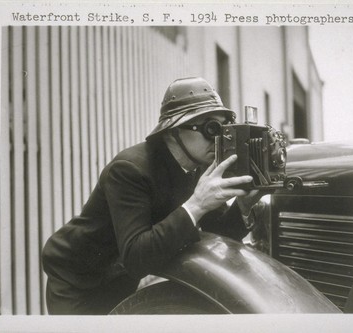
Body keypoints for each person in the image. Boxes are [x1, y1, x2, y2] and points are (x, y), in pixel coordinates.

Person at [41, 77, 267, 315]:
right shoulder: (129, 169)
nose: (219, 139)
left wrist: (243, 206)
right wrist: (197, 204)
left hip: (121, 278)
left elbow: (217, 235)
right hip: (79, 281)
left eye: (224, 129)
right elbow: (137, 257)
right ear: (174, 130)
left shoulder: (198, 166)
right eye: (211, 129)